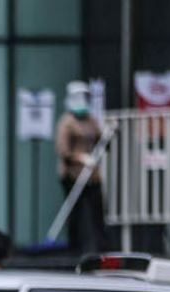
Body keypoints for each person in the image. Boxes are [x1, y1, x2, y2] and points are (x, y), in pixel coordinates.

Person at [55, 81, 107, 255]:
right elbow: (63, 151)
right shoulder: (66, 122)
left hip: (92, 175)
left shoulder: (91, 120)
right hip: (72, 175)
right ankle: (73, 249)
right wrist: (81, 158)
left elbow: (101, 140)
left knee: (96, 212)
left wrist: (108, 134)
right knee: (75, 214)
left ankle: (100, 248)